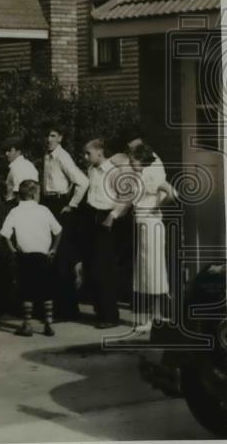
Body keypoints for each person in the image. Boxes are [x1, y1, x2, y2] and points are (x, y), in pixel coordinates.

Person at [114, 142, 176, 337]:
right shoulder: (141, 174)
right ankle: (152, 319)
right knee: (147, 275)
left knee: (153, 273)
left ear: (141, 159)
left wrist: (155, 207)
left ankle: (154, 319)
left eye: (133, 160)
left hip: (152, 226)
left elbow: (174, 193)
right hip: (143, 226)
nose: (131, 164)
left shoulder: (152, 174)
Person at [0, 180, 62, 337]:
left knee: (26, 290)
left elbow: (5, 234)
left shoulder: (15, 211)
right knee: (46, 289)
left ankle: (27, 325)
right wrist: (54, 249)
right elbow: (58, 230)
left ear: (20, 195)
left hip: (25, 256)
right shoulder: (44, 210)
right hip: (43, 255)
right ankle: (48, 324)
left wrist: (13, 249)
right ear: (35, 194)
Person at [41, 127, 89, 320]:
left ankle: (67, 309)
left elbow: (83, 181)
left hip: (61, 205)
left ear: (60, 137)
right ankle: (57, 306)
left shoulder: (62, 156)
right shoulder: (47, 155)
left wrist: (72, 204)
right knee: (53, 255)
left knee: (61, 256)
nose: (49, 139)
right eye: (47, 135)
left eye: (53, 135)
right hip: (50, 203)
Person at [81, 139, 120, 328]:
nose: (85, 157)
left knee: (104, 268)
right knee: (92, 267)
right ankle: (100, 311)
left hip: (107, 219)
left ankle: (111, 316)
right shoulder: (91, 170)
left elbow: (126, 196)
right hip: (92, 217)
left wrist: (113, 216)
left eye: (88, 153)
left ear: (100, 152)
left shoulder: (113, 171)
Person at [3, 136, 38, 204]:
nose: (6, 153)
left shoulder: (17, 168)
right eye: (5, 150)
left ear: (18, 151)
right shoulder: (29, 165)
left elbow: (19, 194)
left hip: (17, 205)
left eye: (9, 150)